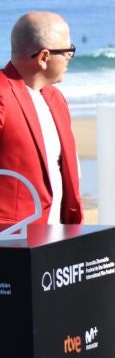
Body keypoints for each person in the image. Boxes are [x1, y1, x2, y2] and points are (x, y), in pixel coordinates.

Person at [1, 12, 82, 227]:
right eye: (68, 51)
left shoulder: (55, 99)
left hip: (56, 235)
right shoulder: (2, 94)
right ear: (44, 57)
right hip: (12, 239)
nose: (69, 58)